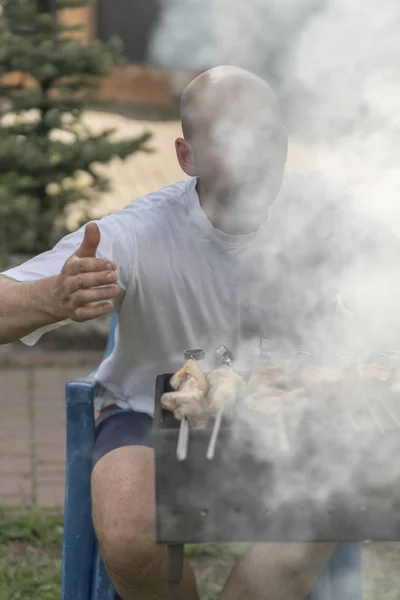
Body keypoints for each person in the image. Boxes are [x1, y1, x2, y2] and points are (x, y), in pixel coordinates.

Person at [0, 65, 399, 600]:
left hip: (293, 411)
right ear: (186, 156)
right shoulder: (139, 235)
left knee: (325, 514)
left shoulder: (324, 211)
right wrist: (50, 297)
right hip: (150, 413)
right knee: (127, 534)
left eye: (264, 136)